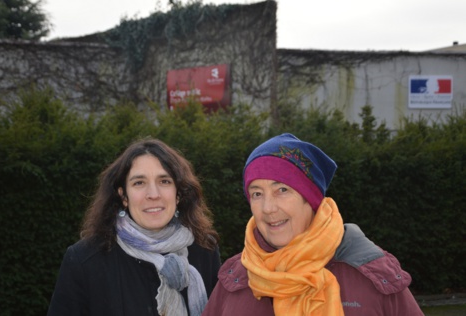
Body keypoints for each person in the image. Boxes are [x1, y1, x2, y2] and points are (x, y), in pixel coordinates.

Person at [203, 133, 423, 316]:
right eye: (257, 194)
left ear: (311, 199)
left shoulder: (373, 276)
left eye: (282, 190)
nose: (268, 208)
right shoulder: (235, 278)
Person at [48, 137, 220, 316]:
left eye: (164, 181)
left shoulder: (204, 250)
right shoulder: (84, 260)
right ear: (123, 196)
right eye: (139, 183)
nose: (153, 194)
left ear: (178, 194)